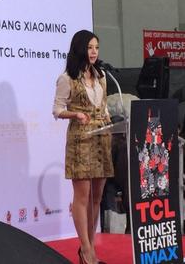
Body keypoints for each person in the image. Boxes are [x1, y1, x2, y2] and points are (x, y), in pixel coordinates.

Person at [53, 30, 113, 264]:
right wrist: (75, 114)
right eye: (90, 47)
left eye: (96, 47)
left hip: (101, 139)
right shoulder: (67, 78)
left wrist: (109, 119)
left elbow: (104, 106)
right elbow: (57, 110)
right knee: (82, 196)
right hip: (81, 140)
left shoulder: (102, 76)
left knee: (97, 197)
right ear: (80, 49)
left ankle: (90, 246)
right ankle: (86, 250)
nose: (94, 52)